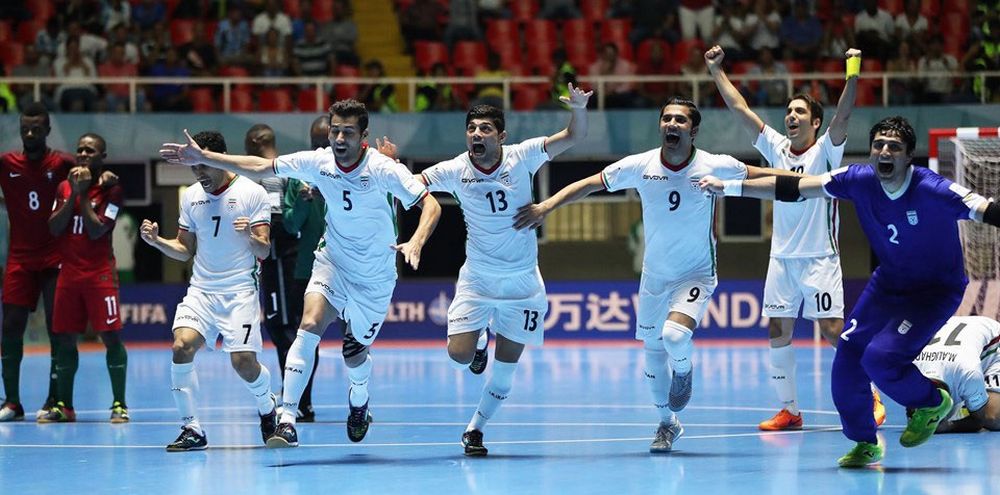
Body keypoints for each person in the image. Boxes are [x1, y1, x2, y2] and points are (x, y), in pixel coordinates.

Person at [699, 116, 1000, 467]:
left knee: (880, 359)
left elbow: (987, 209)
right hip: (889, 283)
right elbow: (796, 187)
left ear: (908, 157)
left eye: (894, 147)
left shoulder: (933, 189)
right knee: (847, 359)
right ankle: (865, 443)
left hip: (934, 291)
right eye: (879, 145)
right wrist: (731, 188)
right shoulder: (858, 179)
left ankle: (932, 401)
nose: (884, 152)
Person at [513, 97, 799, 453]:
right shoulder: (640, 165)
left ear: (693, 131)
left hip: (696, 274)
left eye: (680, 120)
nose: (671, 124)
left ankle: (684, 370)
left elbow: (766, 175)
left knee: (675, 336)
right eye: (666, 119)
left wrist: (818, 181)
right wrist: (546, 206)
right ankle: (667, 423)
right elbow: (588, 184)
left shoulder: (714, 164)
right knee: (651, 353)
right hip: (654, 278)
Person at [159, 100, 441, 448]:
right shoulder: (319, 162)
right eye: (335, 130)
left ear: (363, 135)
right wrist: (205, 157)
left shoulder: (382, 168)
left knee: (355, 354)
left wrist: (416, 241)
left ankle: (359, 400)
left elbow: (431, 205)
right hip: (333, 262)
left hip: (374, 276)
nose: (339, 138)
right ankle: (288, 420)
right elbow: (262, 166)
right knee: (307, 326)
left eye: (348, 132)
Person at [705, 45, 886, 431]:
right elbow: (740, 109)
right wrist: (716, 70)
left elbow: (844, 114)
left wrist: (853, 70)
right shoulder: (775, 147)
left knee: (833, 331)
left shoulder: (826, 151)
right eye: (789, 111)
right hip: (781, 258)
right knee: (777, 330)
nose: (791, 116)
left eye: (800, 112)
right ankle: (790, 410)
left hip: (820, 257)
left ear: (815, 122)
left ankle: (871, 394)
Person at [414, 85, 591, 455]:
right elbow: (412, 186)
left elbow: (574, 136)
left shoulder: (522, 156)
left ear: (501, 136)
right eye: (471, 128)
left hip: (522, 284)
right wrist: (388, 167)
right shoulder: (455, 169)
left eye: (485, 129)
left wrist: (578, 108)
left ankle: (475, 429)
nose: (476, 134)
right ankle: (479, 341)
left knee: (506, 371)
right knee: (459, 357)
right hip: (478, 280)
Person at [141, 131, 277, 451]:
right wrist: (157, 242)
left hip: (239, 291)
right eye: (193, 167)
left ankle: (267, 405)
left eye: (202, 165)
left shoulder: (252, 192)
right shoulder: (190, 197)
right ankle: (192, 429)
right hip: (201, 290)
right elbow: (184, 250)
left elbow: (264, 250)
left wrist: (249, 235)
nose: (198, 173)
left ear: (218, 159)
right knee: (181, 347)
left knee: (244, 364)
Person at [0, 103, 114, 422]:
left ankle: (55, 398)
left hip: (54, 257)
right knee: (10, 327)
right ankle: (12, 402)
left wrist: (105, 177)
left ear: (48, 130)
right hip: (19, 259)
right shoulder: (6, 162)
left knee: (58, 329)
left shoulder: (63, 162)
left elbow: (91, 174)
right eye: (25, 128)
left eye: (36, 128)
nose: (30, 133)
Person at [39, 133, 128, 423]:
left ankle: (119, 404)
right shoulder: (64, 187)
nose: (83, 154)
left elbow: (97, 229)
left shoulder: (112, 190)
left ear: (102, 157)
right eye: (80, 149)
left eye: (90, 150)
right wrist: (74, 194)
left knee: (110, 337)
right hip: (68, 275)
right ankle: (64, 406)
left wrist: (85, 194)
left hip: (100, 275)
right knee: (65, 340)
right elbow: (54, 228)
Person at [245, 123, 316, 422]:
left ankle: (298, 401)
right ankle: (295, 395)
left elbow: (279, 222)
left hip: (282, 258)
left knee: (285, 329)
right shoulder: (279, 170)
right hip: (274, 260)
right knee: (281, 328)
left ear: (254, 142)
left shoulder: (276, 175)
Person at [278, 117, 331, 421]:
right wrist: (302, 201)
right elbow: (290, 224)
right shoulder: (298, 178)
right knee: (307, 337)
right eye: (315, 143)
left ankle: (359, 404)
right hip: (307, 270)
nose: (320, 148)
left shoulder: (349, 175)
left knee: (355, 341)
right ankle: (302, 404)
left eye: (325, 142)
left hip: (348, 269)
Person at [914, 316, 1000, 433]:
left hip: (995, 342)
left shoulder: (969, 374)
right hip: (960, 337)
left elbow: (978, 421)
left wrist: (949, 426)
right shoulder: (910, 372)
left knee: (992, 419)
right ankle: (974, 397)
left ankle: (975, 396)